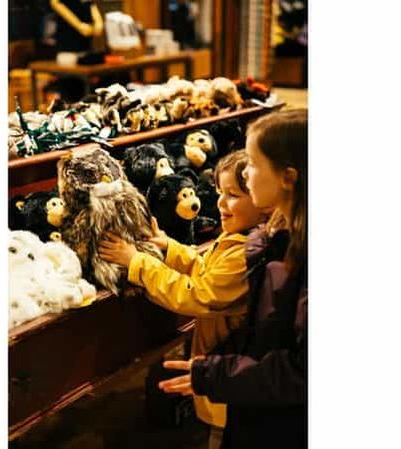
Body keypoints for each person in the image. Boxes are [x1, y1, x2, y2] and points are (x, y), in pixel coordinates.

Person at [158, 110, 308, 449]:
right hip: (255, 406)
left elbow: (301, 370)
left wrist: (217, 374)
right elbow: (264, 332)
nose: (246, 173)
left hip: (281, 424)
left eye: (253, 164)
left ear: (288, 177)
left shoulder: (298, 255)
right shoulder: (273, 240)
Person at [98, 150, 269, 449]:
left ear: (265, 200)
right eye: (219, 192)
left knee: (225, 437)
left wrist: (137, 262)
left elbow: (195, 295)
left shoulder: (247, 253)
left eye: (232, 195)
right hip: (226, 374)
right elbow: (207, 270)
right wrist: (169, 248)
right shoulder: (240, 238)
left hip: (233, 381)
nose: (220, 203)